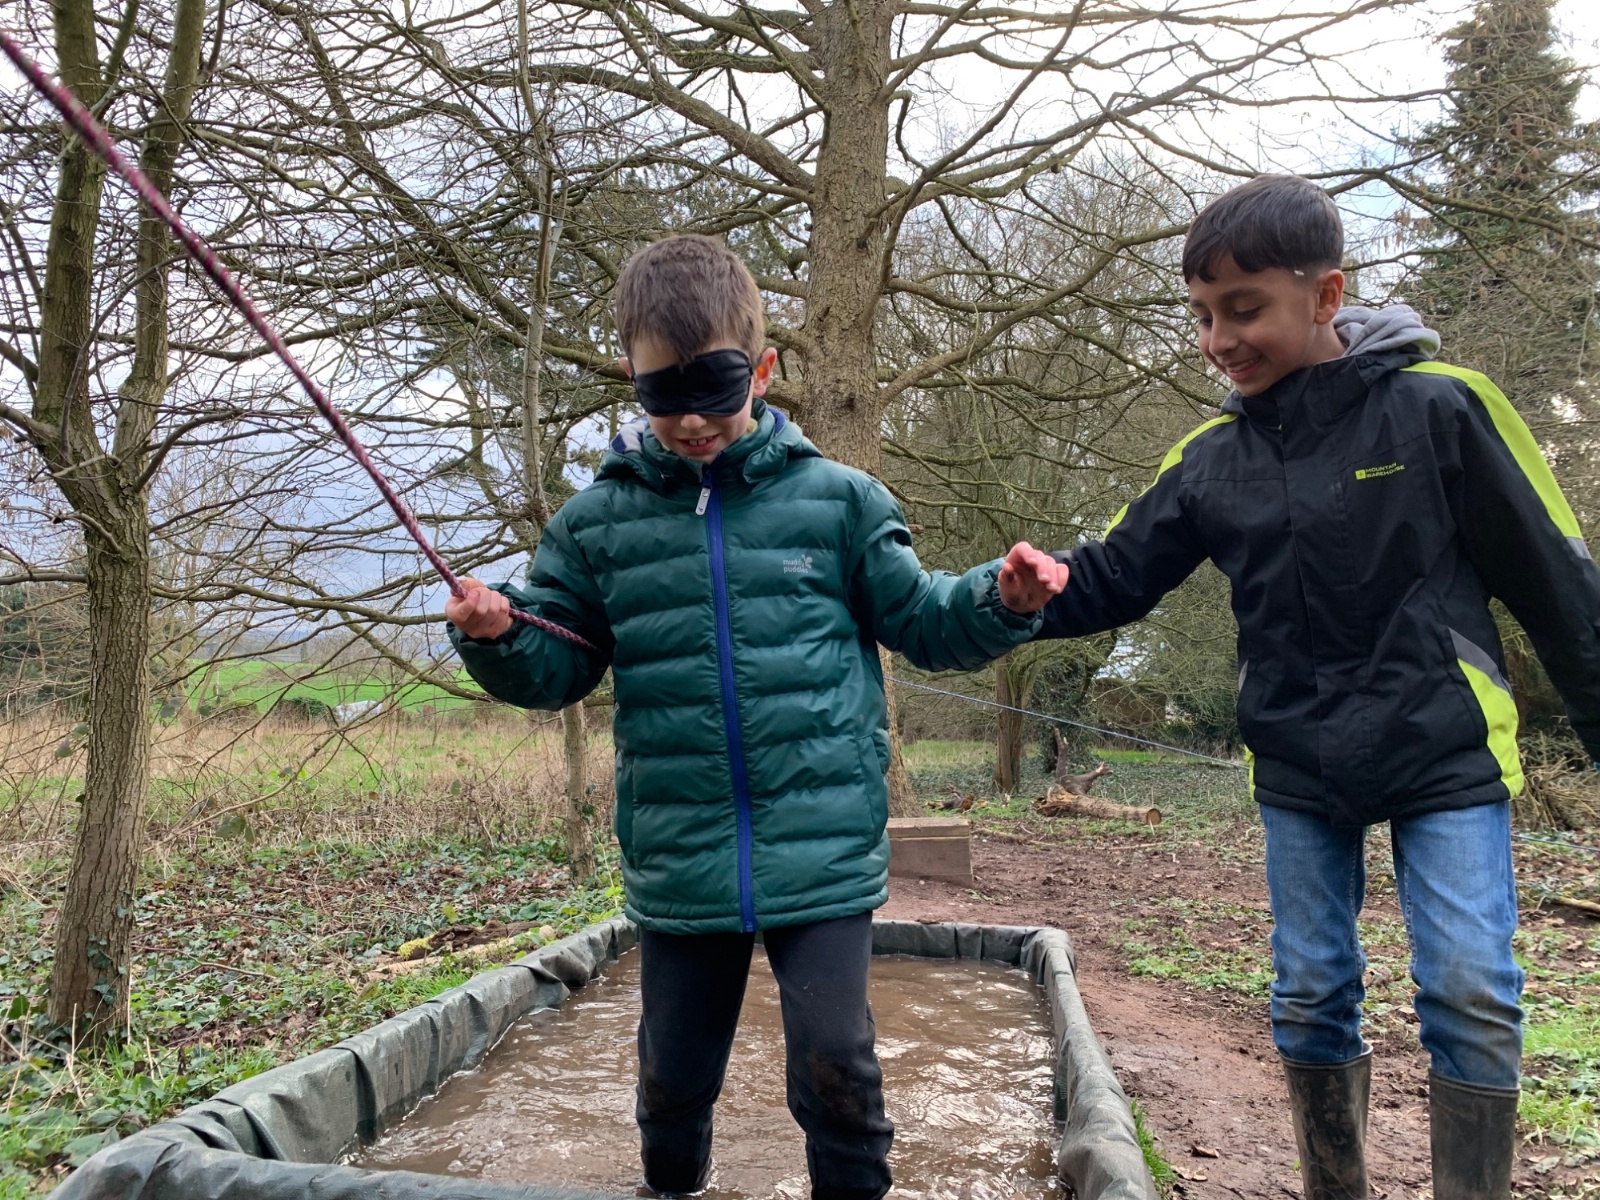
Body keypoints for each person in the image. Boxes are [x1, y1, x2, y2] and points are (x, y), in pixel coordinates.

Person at [444, 234, 1066, 1200]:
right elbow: (557, 665)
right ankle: (672, 1188)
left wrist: (1001, 599)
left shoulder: (841, 502)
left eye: (716, 385)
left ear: (764, 370)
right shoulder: (595, 526)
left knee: (838, 1066)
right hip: (680, 849)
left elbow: (922, 620)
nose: (691, 416)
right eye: (663, 393)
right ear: (630, 379)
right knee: (671, 1078)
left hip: (820, 847)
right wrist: (496, 635)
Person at [1024, 175, 1600, 1200]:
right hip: (1297, 755)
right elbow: (1113, 573)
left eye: (1243, 310)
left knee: (1469, 987)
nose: (1218, 340)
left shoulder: (1443, 407)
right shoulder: (1212, 457)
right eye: (1201, 315)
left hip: (1445, 745)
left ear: (1326, 294)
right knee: (1309, 992)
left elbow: (1561, 586)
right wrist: (1037, 589)